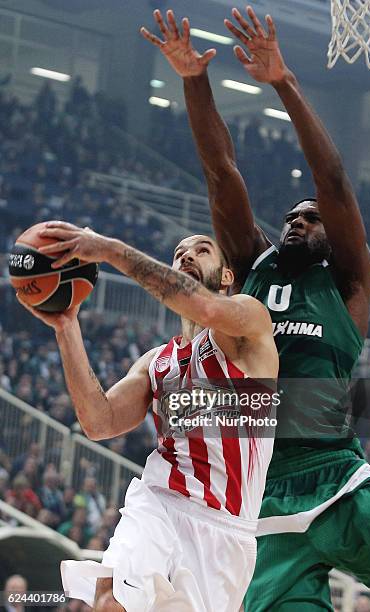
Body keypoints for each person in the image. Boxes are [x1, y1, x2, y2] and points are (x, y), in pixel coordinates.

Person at [141, 6, 370, 611]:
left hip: (341, 481)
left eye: (310, 217)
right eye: (291, 215)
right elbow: (220, 173)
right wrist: (192, 77)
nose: (297, 220)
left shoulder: (348, 280)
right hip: (263, 502)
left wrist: (284, 82)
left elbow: (334, 181)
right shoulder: (252, 267)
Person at [19, 221, 278, 611]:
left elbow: (204, 306)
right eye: (179, 253)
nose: (187, 255)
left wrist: (109, 249)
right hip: (158, 500)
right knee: (110, 599)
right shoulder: (157, 362)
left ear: (227, 275)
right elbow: (98, 422)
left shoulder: (250, 322)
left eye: (202, 249)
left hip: (224, 528)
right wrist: (66, 325)